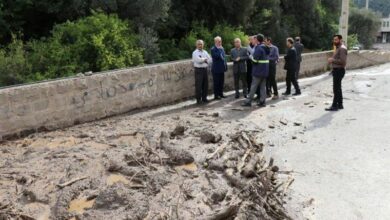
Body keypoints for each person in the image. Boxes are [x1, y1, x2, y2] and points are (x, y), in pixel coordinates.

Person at [242, 34, 269, 107]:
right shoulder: (266, 47)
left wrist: (250, 56)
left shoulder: (258, 48)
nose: (253, 40)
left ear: (257, 40)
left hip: (258, 71)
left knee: (253, 87)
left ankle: (248, 101)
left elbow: (255, 60)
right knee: (263, 87)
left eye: (254, 39)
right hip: (265, 71)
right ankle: (262, 101)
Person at [325, 34, 348, 111]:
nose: (334, 41)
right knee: (338, 88)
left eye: (336, 40)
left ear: (340, 40)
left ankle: (334, 106)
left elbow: (343, 62)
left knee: (336, 89)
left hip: (339, 70)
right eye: (334, 39)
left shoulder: (342, 49)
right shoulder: (338, 48)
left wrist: (332, 60)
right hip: (337, 70)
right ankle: (340, 104)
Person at [192, 39, 212, 105]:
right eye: (199, 44)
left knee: (205, 85)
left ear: (203, 45)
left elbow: (210, 60)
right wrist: (205, 60)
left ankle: (204, 98)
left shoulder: (205, 52)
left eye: (201, 44)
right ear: (196, 45)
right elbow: (198, 60)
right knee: (199, 85)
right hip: (198, 70)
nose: (200, 45)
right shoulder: (195, 53)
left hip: (205, 69)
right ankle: (198, 100)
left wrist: (204, 60)